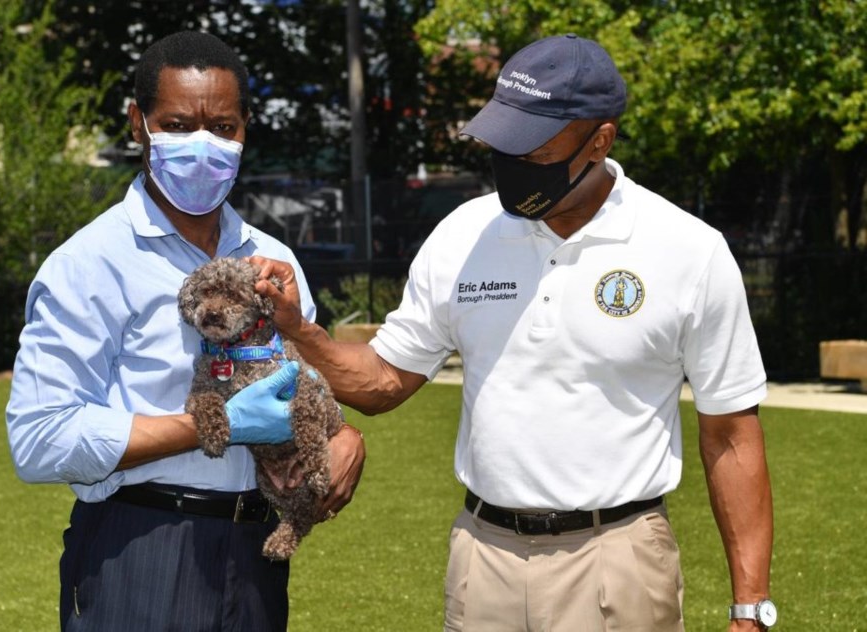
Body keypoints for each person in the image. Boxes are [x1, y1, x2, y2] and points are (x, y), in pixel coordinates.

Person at [252, 34, 775, 631]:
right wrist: (301, 332)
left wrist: (749, 610)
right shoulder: (463, 235)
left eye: (533, 149)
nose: (510, 164)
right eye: (503, 142)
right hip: (483, 554)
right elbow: (383, 382)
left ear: (599, 140)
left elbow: (732, 436)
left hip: (617, 557)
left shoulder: (689, 251)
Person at [5, 31, 365, 632]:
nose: (202, 144)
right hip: (140, 543)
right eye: (176, 124)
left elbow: (300, 382)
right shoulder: (90, 262)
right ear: (137, 125)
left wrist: (345, 435)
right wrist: (207, 426)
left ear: (247, 127)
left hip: (254, 552)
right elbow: (39, 439)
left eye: (222, 128)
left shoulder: (271, 260)